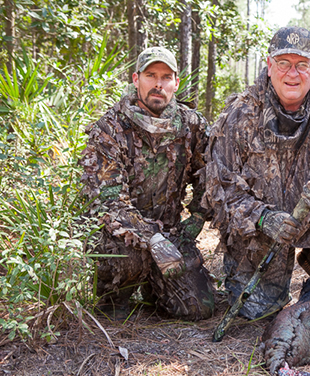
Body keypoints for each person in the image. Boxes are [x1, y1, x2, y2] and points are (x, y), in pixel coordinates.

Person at [204, 27, 310, 320]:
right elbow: (220, 188)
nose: (292, 74)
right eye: (283, 63)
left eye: (302, 64)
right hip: (263, 235)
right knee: (256, 312)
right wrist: (263, 217)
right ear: (270, 65)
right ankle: (269, 287)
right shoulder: (240, 113)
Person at [80, 47, 214, 320]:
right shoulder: (109, 128)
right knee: (125, 257)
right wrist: (151, 238)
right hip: (123, 238)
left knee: (200, 308)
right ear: (135, 78)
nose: (158, 84)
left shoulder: (191, 125)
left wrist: (196, 219)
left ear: (176, 83)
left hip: (171, 235)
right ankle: (115, 296)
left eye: (166, 77)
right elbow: (108, 201)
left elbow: (212, 175)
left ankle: (155, 287)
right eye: (150, 75)